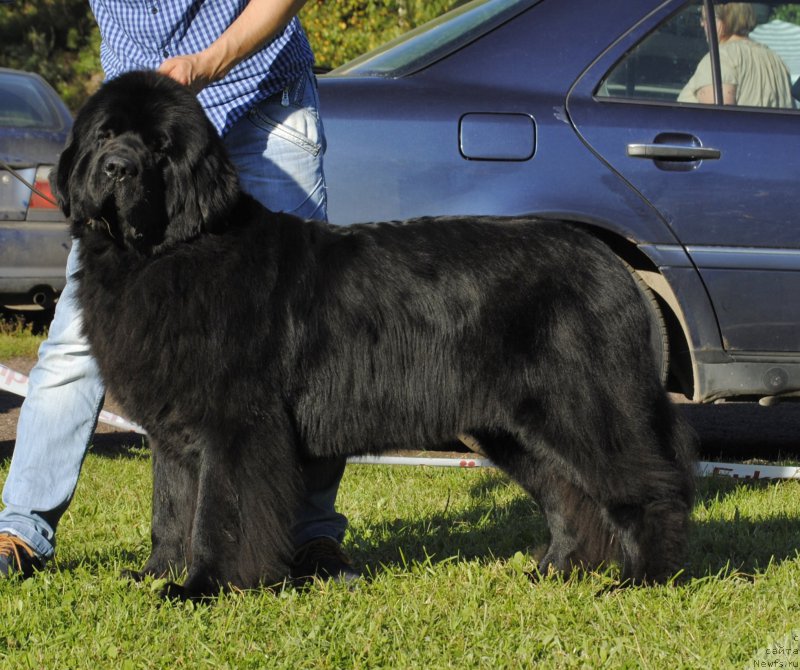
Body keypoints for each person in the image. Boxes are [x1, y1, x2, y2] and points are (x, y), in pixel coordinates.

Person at [0, 0, 358, 585]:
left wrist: (206, 63)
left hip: (259, 95)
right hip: (135, 118)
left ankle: (310, 537)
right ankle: (23, 527)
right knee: (73, 344)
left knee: (301, 337)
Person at [679, 2, 793, 108]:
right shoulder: (775, 60)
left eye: (705, 18)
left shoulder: (720, 59)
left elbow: (716, 122)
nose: (702, 24)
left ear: (724, 19)